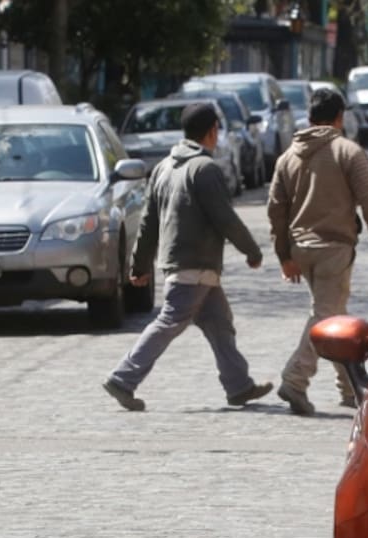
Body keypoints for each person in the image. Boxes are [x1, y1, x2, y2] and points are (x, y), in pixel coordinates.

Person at [102, 102, 273, 412]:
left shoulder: (164, 168)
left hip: (183, 264)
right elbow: (225, 218)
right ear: (212, 131)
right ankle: (123, 378)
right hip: (197, 264)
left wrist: (139, 264)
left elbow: (148, 222)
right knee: (169, 321)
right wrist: (252, 251)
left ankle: (239, 386)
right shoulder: (205, 169)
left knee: (219, 322)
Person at [267, 87, 368, 416]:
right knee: (326, 315)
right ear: (339, 117)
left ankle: (350, 387)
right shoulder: (348, 152)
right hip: (334, 250)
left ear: (310, 117)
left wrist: (284, 256)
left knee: (335, 314)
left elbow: (275, 211)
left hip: (301, 249)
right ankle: (295, 379)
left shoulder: (287, 157)